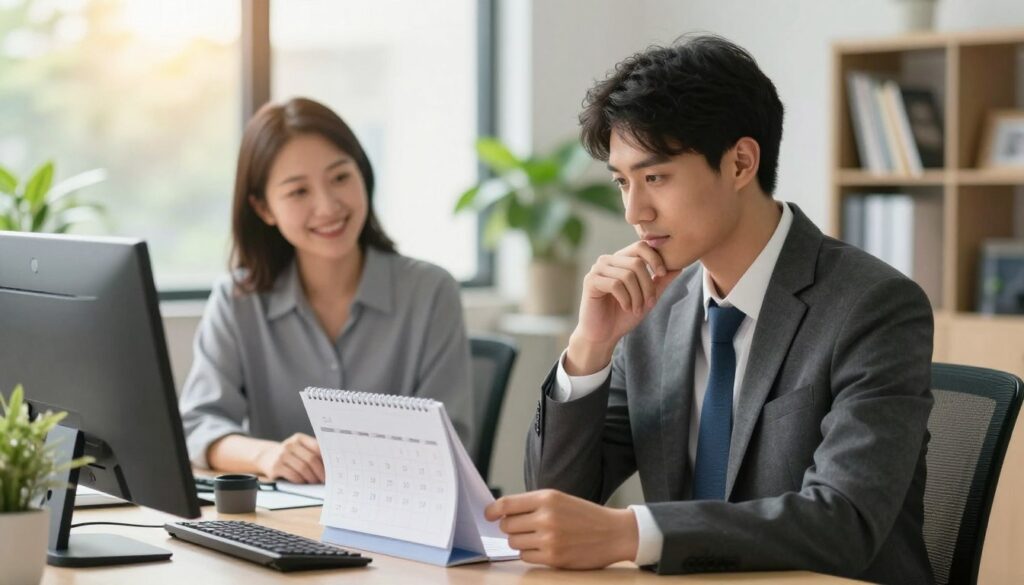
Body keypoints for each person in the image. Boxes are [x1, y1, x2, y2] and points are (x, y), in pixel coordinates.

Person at [485, 35, 933, 585]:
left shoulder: (873, 306)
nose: (634, 211)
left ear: (741, 162)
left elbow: (844, 521)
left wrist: (633, 534)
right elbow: (557, 501)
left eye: (654, 177)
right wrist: (589, 347)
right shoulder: (654, 308)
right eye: (622, 182)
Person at [179, 97, 474, 484]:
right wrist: (268, 455)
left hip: (398, 523)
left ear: (363, 174)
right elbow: (198, 425)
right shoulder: (237, 300)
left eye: (340, 178)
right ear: (264, 208)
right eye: (298, 192)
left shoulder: (431, 292)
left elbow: (448, 442)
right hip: (280, 525)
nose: (328, 206)